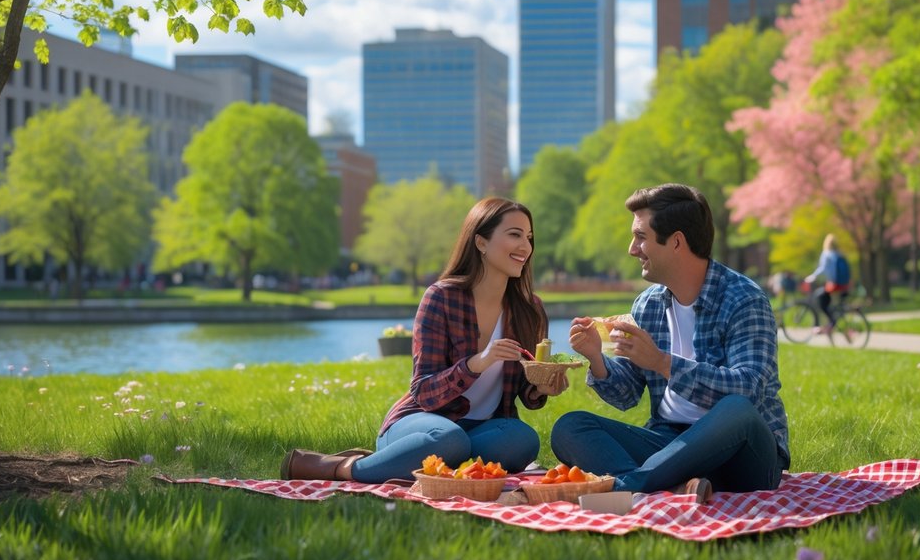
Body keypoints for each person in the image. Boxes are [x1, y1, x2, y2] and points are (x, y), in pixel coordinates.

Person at [281, 198, 566, 482]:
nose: (525, 247)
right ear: (480, 242)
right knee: (448, 440)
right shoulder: (440, 298)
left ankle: (419, 465)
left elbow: (526, 392)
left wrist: (542, 385)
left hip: (483, 430)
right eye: (514, 234)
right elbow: (423, 392)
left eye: (529, 237)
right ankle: (344, 468)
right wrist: (477, 363)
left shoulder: (530, 309)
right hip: (424, 423)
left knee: (524, 441)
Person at [551, 184, 789, 503]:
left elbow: (749, 388)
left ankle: (627, 489)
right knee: (571, 427)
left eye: (641, 237)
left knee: (735, 408)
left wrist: (663, 363)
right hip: (670, 443)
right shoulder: (647, 305)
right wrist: (597, 358)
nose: (632, 249)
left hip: (744, 456)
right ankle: (674, 488)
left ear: (676, 241)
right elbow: (628, 395)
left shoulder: (744, 300)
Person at [805, 234, 849, 332]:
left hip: (834, 284)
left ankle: (828, 323)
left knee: (819, 298)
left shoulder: (827, 253)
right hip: (843, 284)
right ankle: (832, 322)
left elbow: (823, 268)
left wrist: (813, 276)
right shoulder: (840, 254)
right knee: (829, 301)